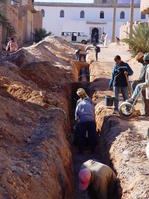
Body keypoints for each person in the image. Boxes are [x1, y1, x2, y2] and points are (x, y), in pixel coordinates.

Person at [75, 88, 97, 154]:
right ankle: (93, 150)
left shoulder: (79, 103)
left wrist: (77, 124)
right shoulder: (90, 101)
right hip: (91, 121)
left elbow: (76, 114)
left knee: (81, 136)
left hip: (82, 121)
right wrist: (93, 120)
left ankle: (81, 151)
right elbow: (93, 111)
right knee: (92, 135)